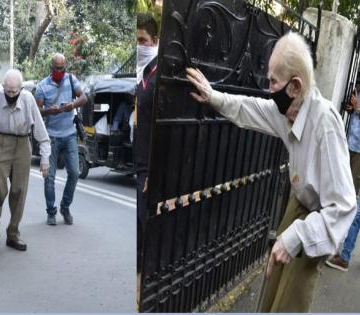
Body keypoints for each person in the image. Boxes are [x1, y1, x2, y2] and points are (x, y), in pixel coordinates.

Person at [186, 32, 356, 312]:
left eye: (273, 81)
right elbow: (250, 108)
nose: (268, 88)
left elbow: (344, 207)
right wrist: (213, 96)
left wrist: (295, 237)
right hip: (298, 204)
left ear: (296, 85)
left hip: (318, 220)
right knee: (270, 288)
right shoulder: (289, 108)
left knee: (289, 301)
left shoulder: (325, 123)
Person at [0, 69, 50, 251]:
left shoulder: (28, 99)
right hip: (1, 140)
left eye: (14, 91)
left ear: (21, 88)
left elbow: (41, 132)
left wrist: (45, 160)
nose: (11, 95)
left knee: (19, 190)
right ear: (3, 87)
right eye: (8, 91)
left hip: (22, 143)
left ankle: (13, 233)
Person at [35, 53, 87, 226]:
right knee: (49, 177)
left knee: (73, 173)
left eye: (62, 68)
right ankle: (51, 211)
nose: (59, 71)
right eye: (56, 68)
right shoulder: (42, 86)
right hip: (50, 137)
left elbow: (84, 98)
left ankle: (65, 206)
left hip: (70, 134)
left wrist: (71, 105)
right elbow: (37, 111)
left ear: (65, 66)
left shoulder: (71, 79)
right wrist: (51, 111)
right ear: (51, 67)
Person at [325, 83, 360, 272]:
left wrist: (358, 109)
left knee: (354, 202)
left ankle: (344, 255)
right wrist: (352, 109)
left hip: (359, 153)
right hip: (352, 146)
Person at [136, 13, 159, 270]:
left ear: (155, 40)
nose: (139, 46)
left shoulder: (158, 76)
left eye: (143, 40)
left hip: (149, 166)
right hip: (139, 160)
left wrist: (154, 170)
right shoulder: (143, 73)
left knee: (147, 223)